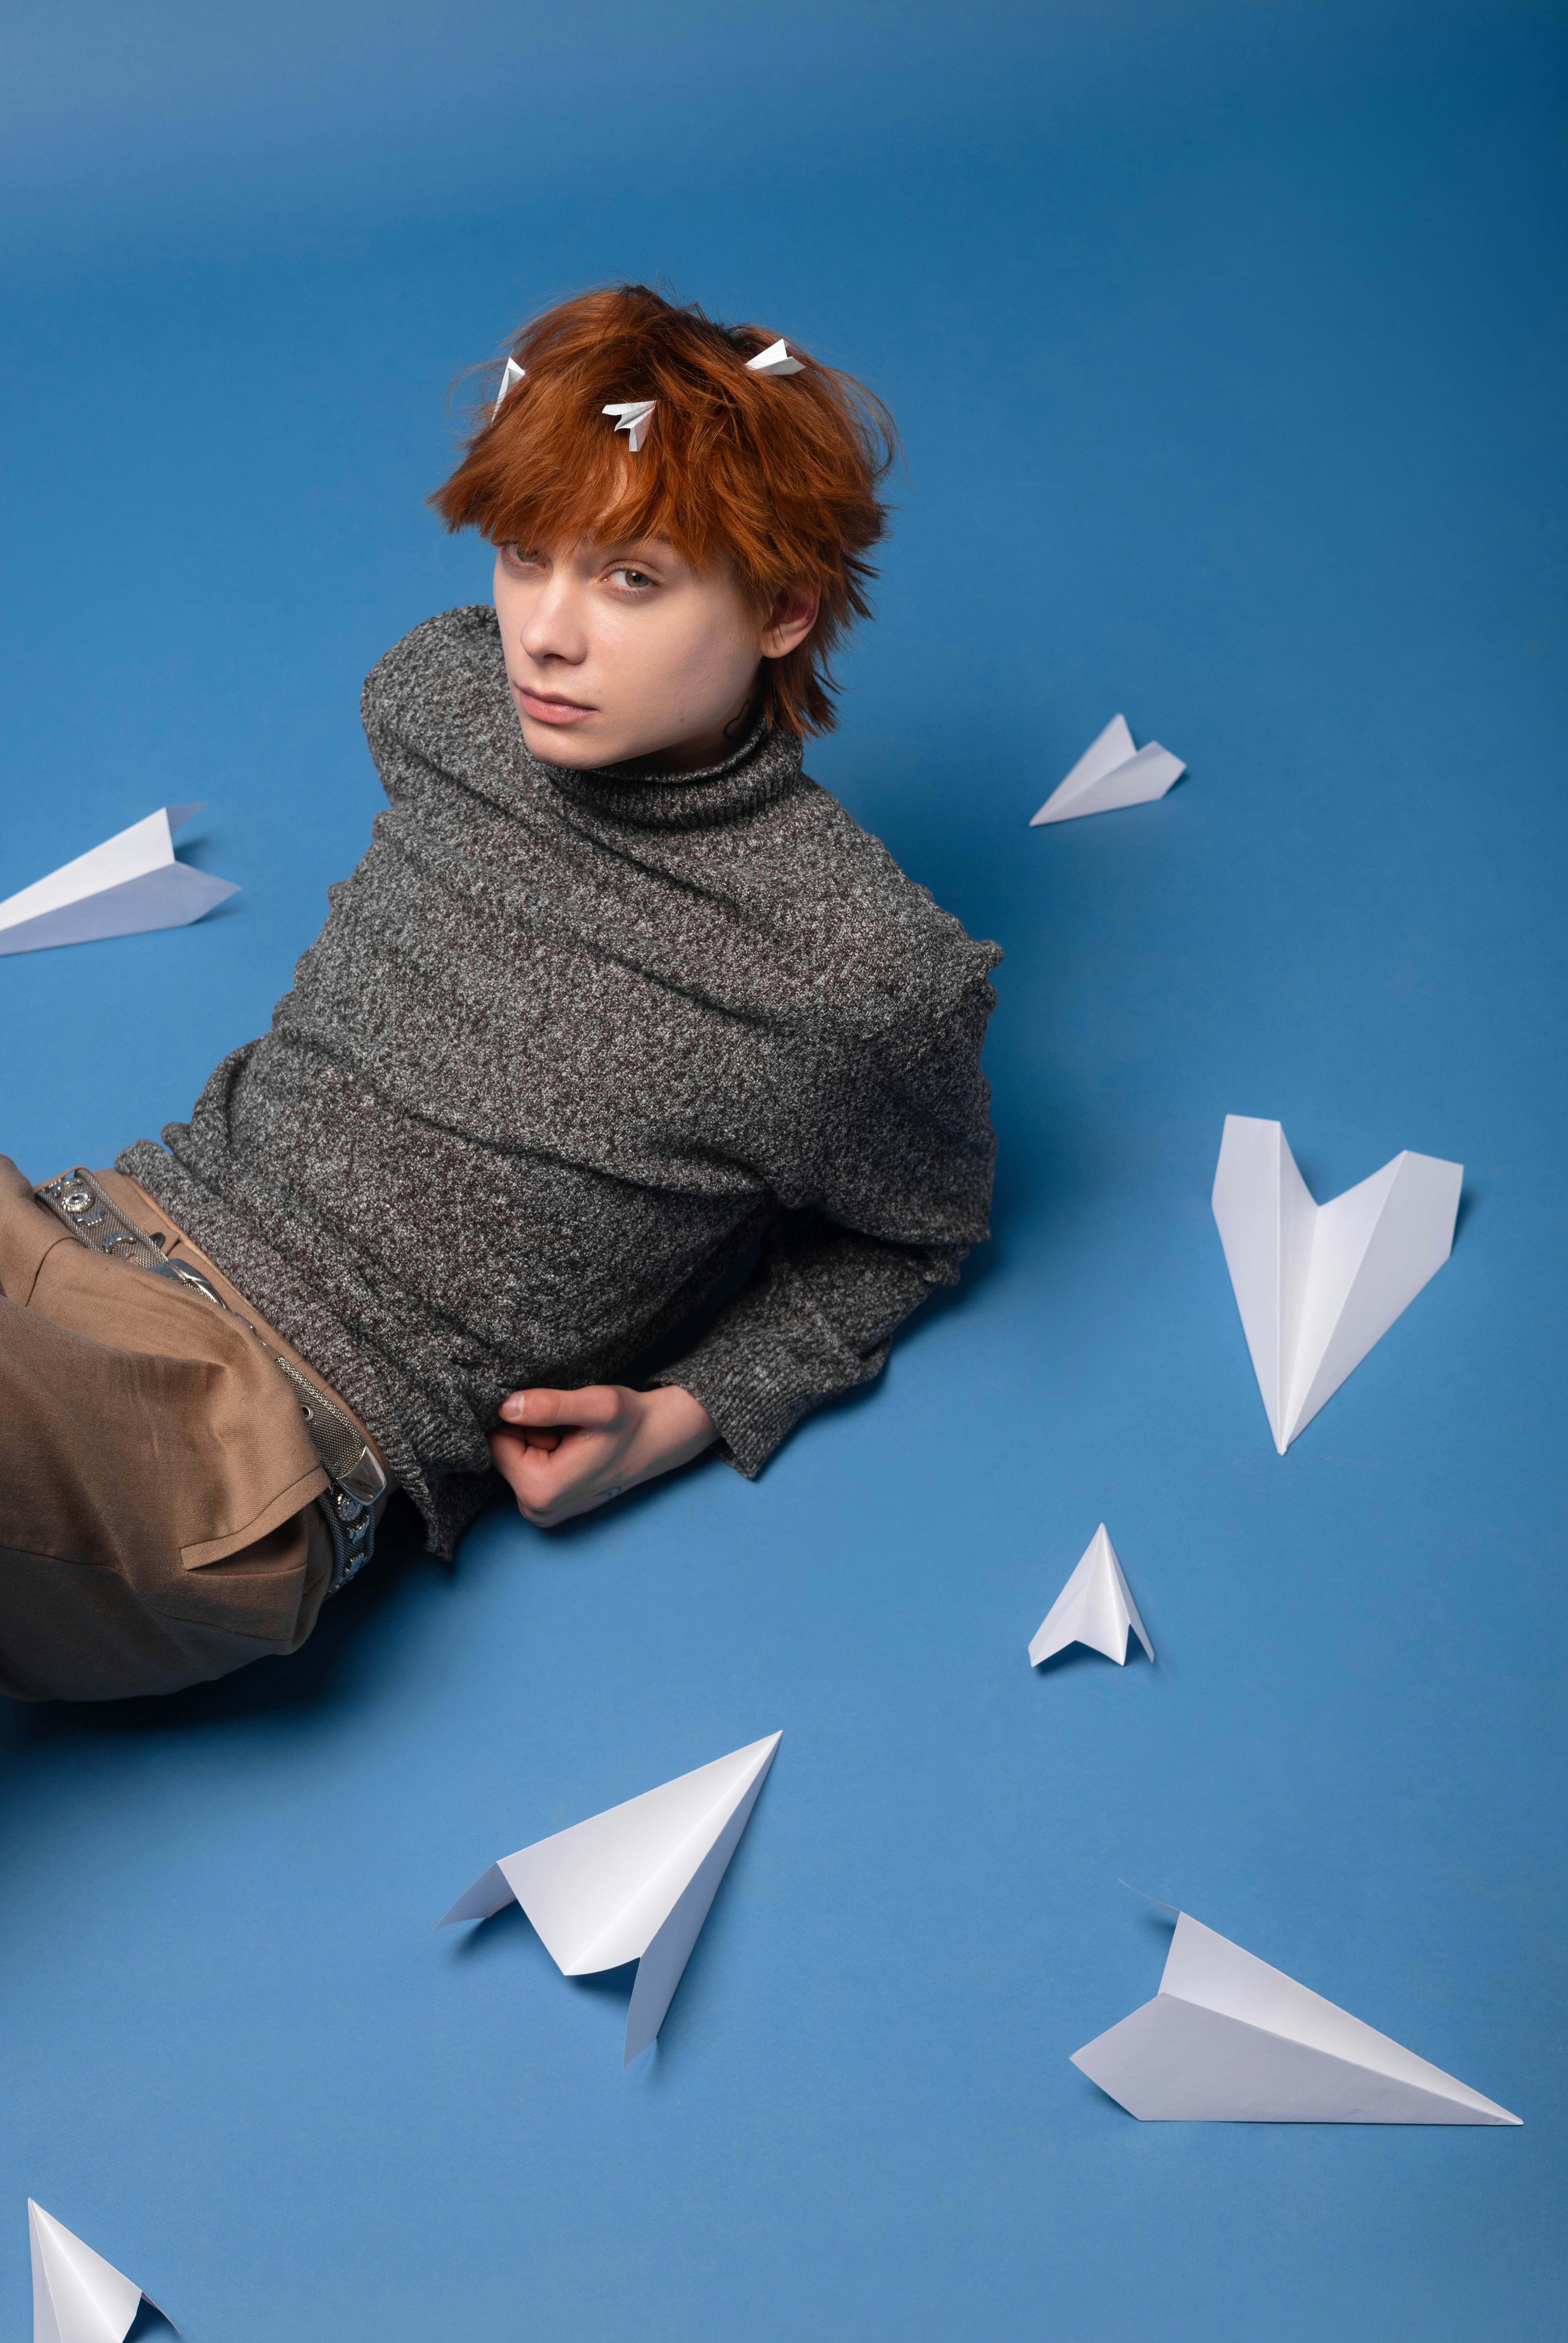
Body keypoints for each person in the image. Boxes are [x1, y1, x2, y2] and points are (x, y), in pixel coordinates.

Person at [0, 284, 1001, 1704]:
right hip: (67, 1244)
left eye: (632, 579)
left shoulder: (855, 971)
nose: (545, 632)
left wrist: (682, 1413)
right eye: (528, 559)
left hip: (244, 1449)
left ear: (784, 609)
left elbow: (919, 1235)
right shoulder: (441, 699)